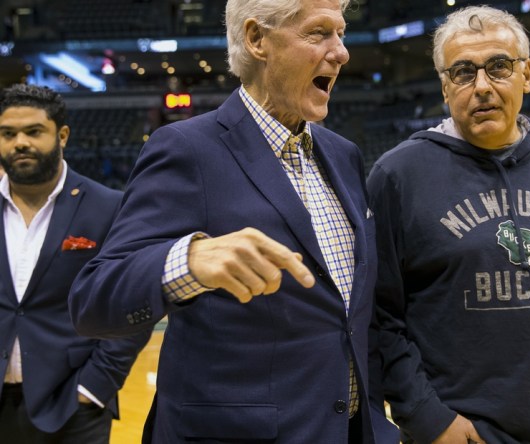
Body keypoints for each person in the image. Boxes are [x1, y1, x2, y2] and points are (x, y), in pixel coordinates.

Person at [68, 1, 398, 443]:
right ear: (257, 39)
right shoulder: (186, 149)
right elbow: (94, 298)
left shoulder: (343, 154)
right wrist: (187, 260)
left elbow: (352, 317)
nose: (341, 52)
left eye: (340, 33)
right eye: (319, 33)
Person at [367, 6, 530, 443]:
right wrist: (427, 417)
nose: (483, 87)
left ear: (526, 75)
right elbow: (380, 315)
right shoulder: (398, 175)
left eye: (498, 67)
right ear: (444, 86)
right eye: (463, 72)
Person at [0, 84, 151, 442]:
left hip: (72, 405)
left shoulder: (108, 207)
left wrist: (95, 387)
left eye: (34, 131)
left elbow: (135, 304)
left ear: (62, 135)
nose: (20, 142)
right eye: (8, 134)